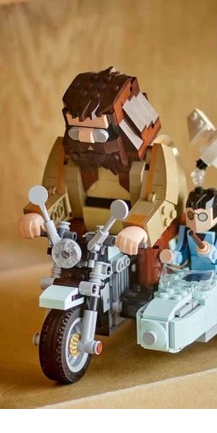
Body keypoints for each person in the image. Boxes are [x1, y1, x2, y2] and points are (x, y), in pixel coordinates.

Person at [18, 66, 186, 287]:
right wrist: (40, 214)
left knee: (149, 262)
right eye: (76, 130)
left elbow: (163, 201)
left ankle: (146, 295)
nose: (86, 138)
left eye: (99, 133)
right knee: (67, 245)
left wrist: (140, 227)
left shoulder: (155, 157)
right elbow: (54, 191)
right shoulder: (67, 153)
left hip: (135, 230)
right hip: (87, 228)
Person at [160, 187, 217, 281]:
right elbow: (183, 250)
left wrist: (211, 251)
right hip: (193, 272)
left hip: (216, 274)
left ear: (216, 214)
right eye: (191, 215)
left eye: (202, 216)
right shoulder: (187, 231)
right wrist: (174, 256)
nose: (195, 221)